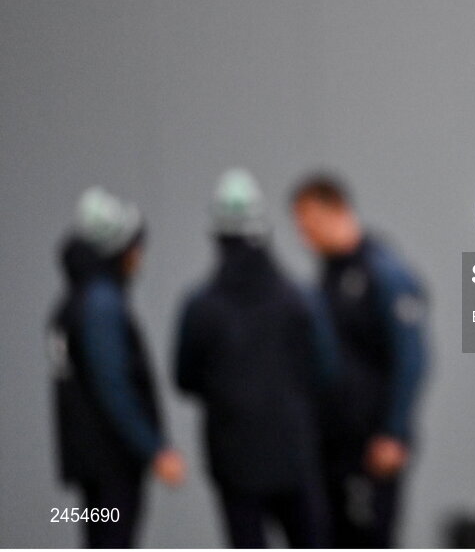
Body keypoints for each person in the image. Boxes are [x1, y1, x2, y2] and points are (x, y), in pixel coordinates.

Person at [174, 169, 333, 548]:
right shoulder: (299, 299)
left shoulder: (201, 306)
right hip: (294, 451)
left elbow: (184, 378)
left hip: (233, 458)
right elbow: (326, 370)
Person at [291, 172, 428, 548]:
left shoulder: (383, 272)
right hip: (333, 446)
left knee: (368, 538)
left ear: (335, 210)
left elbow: (411, 358)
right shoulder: (327, 276)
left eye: (309, 225)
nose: (304, 237)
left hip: (372, 445)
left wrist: (394, 433)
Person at [47, 187, 185, 548]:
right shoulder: (101, 305)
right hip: (112, 463)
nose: (140, 257)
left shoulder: (74, 301)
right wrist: (154, 447)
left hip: (89, 460)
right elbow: (113, 384)